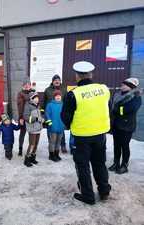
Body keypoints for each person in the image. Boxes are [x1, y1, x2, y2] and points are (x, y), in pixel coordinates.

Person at [61, 61, 111, 205]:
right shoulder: (104, 89)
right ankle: (104, 191)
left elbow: (66, 117)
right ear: (91, 74)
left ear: (77, 76)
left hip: (82, 136)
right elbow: (107, 107)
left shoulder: (73, 95)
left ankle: (88, 196)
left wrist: (71, 125)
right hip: (100, 134)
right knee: (100, 163)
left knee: (82, 166)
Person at [109, 78, 142, 174]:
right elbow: (112, 105)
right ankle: (116, 163)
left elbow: (130, 109)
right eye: (122, 84)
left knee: (124, 146)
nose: (121, 86)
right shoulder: (117, 95)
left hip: (127, 126)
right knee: (116, 145)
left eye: (124, 85)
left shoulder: (136, 96)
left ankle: (124, 165)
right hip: (116, 124)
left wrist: (118, 110)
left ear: (130, 86)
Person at [43, 74, 68, 153]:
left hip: (60, 114)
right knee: (50, 130)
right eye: (55, 80)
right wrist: (43, 113)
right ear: (52, 81)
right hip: (50, 114)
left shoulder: (64, 89)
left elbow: (66, 101)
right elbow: (44, 102)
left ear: (60, 81)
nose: (57, 81)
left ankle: (63, 145)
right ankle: (51, 146)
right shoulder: (47, 90)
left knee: (61, 130)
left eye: (58, 80)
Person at [23, 92, 45, 167]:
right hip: (32, 129)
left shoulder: (38, 106)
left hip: (38, 128)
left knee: (36, 144)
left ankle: (33, 157)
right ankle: (27, 159)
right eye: (35, 98)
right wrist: (35, 119)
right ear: (31, 99)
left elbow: (41, 115)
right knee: (32, 144)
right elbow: (26, 117)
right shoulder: (28, 106)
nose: (37, 99)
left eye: (37, 98)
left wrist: (42, 119)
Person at [45, 90, 65, 162]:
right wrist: (50, 124)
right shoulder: (50, 105)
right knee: (52, 142)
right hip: (53, 127)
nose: (58, 97)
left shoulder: (63, 104)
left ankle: (57, 154)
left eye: (59, 96)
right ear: (54, 97)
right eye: (56, 96)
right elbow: (47, 115)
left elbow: (64, 115)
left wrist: (64, 124)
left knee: (59, 141)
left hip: (61, 126)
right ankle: (51, 155)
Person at [17, 77, 35, 156]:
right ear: (23, 85)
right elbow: (20, 106)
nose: (27, 86)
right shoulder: (20, 94)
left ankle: (31, 149)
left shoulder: (34, 93)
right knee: (22, 134)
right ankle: (20, 149)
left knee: (31, 134)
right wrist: (21, 117)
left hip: (32, 118)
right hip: (23, 117)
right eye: (25, 84)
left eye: (28, 84)